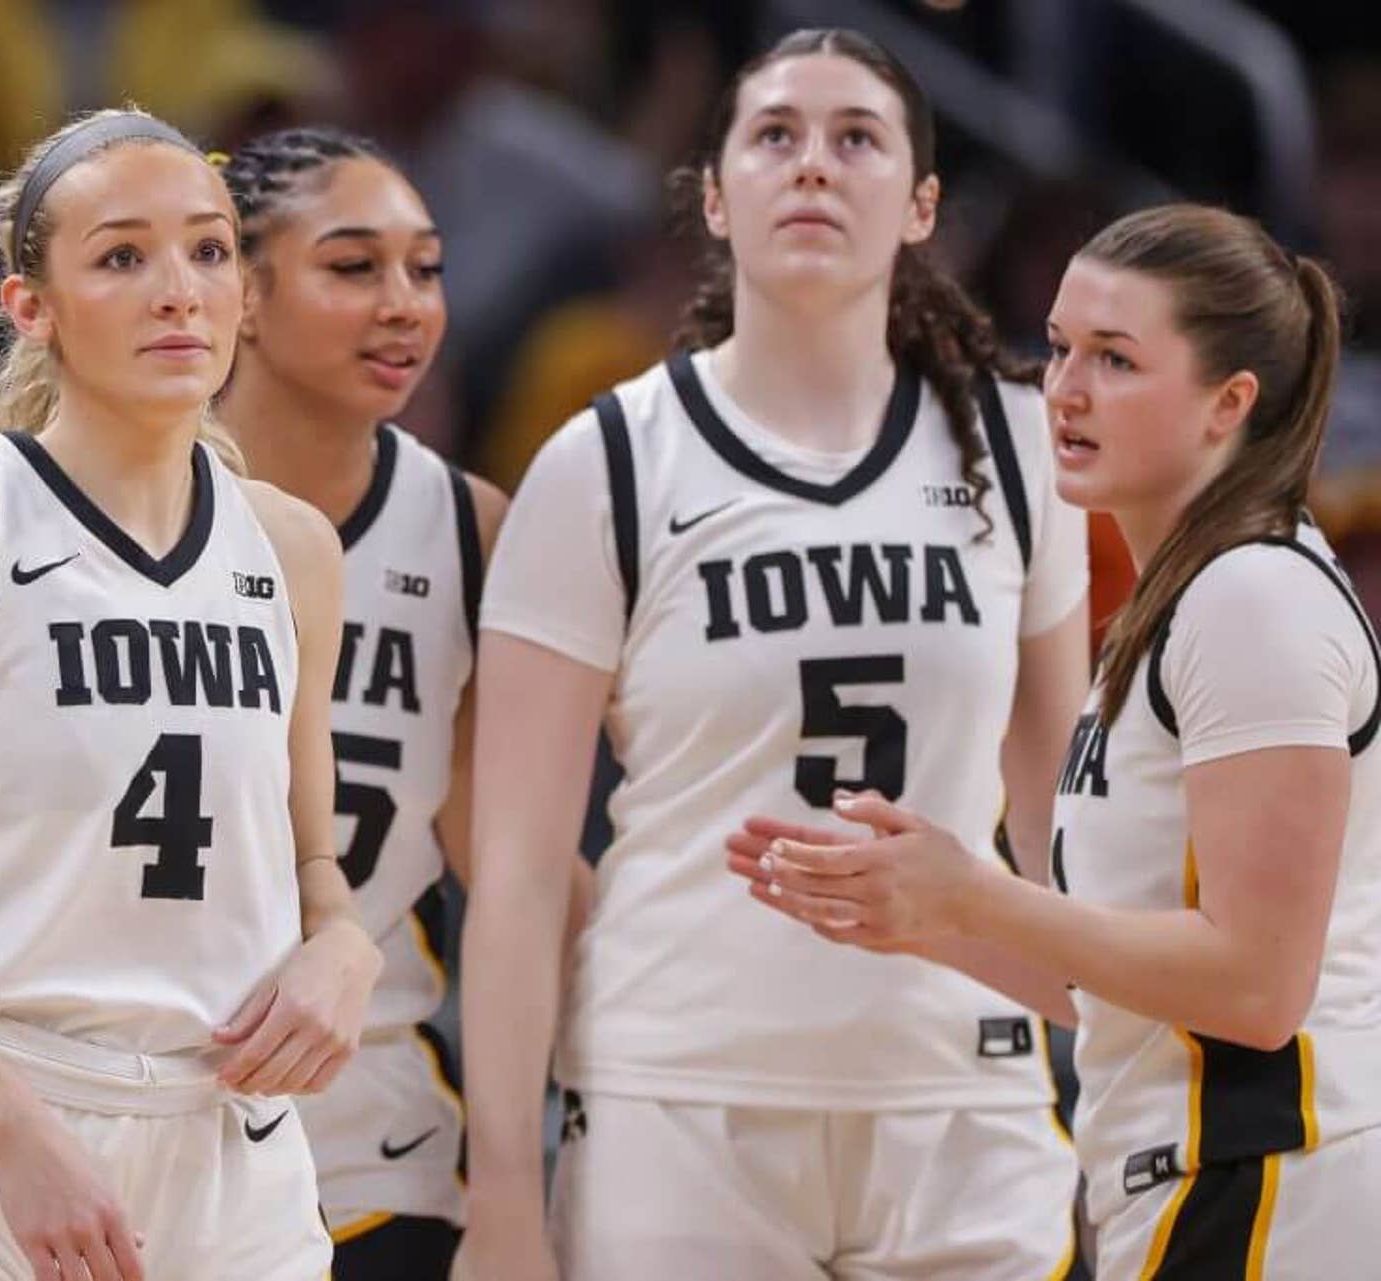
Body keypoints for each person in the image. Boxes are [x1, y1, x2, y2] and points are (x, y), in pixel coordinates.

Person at [456, 28, 1092, 1281]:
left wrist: (1128, 1070)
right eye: (775, 136)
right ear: (714, 196)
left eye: (857, 138)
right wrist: (504, 1198)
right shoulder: (606, 462)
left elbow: (1063, 831)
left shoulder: (1020, 449)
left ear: (922, 206)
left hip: (964, 1105)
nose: (814, 164)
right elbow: (519, 873)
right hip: (680, 1102)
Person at [0, 109, 382, 1281]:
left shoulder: (293, 550)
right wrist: (10, 1130)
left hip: (228, 1149)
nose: (178, 291)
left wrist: (344, 949)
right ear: (31, 306)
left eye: (208, 250)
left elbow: (312, 867)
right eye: (122, 256)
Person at [733, 203, 1381, 1278]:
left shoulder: (1254, 597)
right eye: (1061, 346)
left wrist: (977, 895)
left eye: (1115, 359)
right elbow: (1126, 987)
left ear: (1229, 403)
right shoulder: (1178, 605)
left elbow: (1257, 990)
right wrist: (922, 915)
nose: (1066, 389)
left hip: (1272, 1179)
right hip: (1204, 1183)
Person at [215, 126, 581, 1278]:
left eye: (425, 269)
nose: (403, 305)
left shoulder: (470, 532)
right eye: (353, 266)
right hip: (119, 1125)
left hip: (373, 1149)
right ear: (242, 292)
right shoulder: (88, 507)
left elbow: (509, 864)